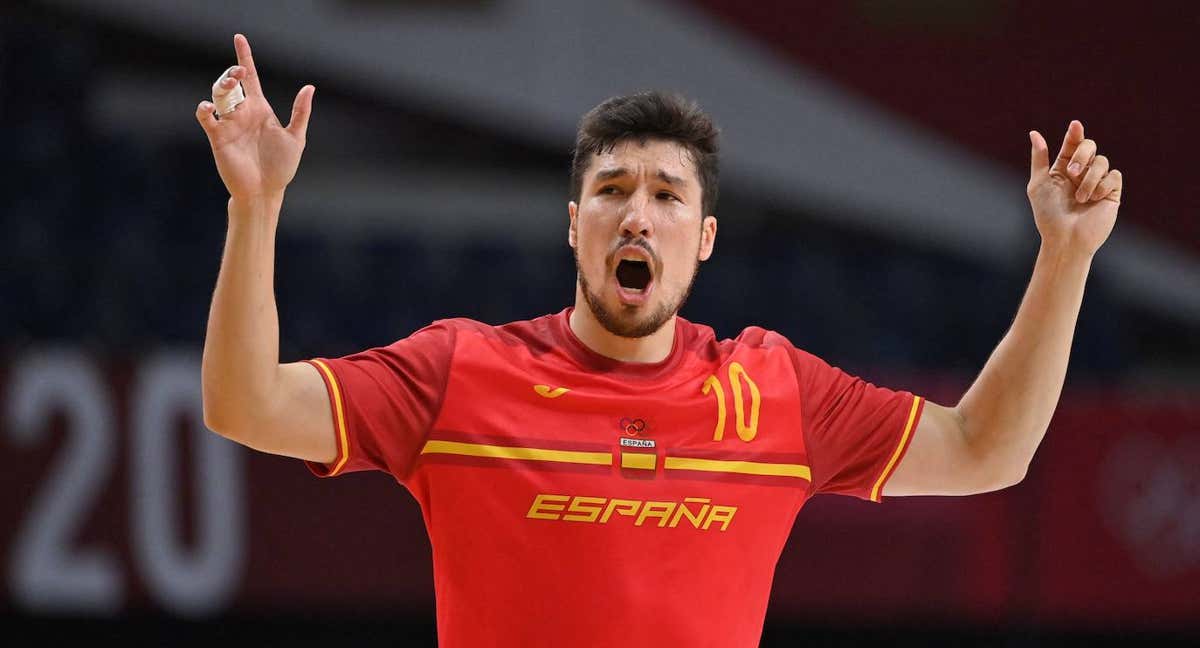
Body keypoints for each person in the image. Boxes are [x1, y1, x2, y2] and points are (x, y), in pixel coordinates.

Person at [195, 34, 1123, 648]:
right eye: (612, 190)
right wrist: (256, 206)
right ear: (573, 224)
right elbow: (245, 404)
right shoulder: (461, 372)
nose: (637, 214)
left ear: (705, 238)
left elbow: (986, 449)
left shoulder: (775, 391)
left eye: (668, 196)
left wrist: (1067, 259)